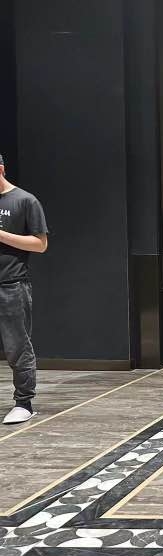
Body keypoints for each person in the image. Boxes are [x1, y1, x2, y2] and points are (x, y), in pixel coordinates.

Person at [0, 154, 49, 425]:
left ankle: (24, 403)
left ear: (1, 169)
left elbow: (40, 244)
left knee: (17, 346)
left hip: (11, 285)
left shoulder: (25, 201)